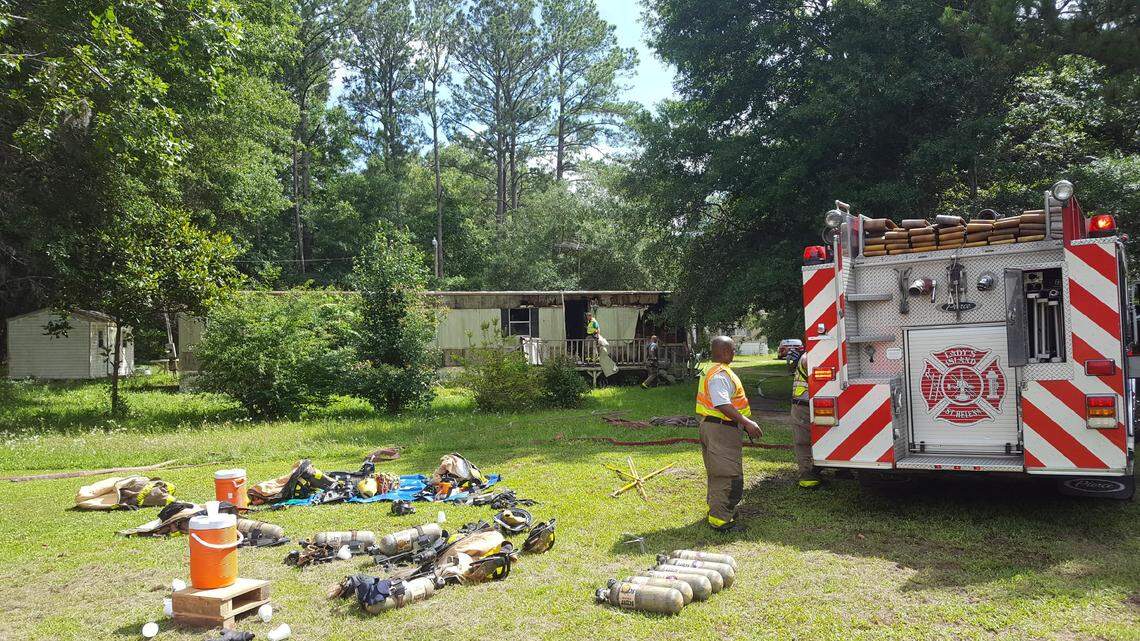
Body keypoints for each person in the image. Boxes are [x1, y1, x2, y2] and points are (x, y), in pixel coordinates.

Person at [695, 336, 762, 531]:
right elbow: (722, 403)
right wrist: (746, 422)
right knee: (727, 474)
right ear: (724, 352)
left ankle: (718, 511)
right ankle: (721, 519)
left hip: (715, 427)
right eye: (732, 350)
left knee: (718, 472)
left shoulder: (711, 370)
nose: (734, 353)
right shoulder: (720, 375)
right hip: (721, 429)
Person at [790, 351, 821, 488]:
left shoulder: (807, 356)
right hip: (805, 404)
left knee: (803, 441)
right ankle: (808, 477)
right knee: (804, 440)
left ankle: (807, 474)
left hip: (803, 404)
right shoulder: (808, 357)